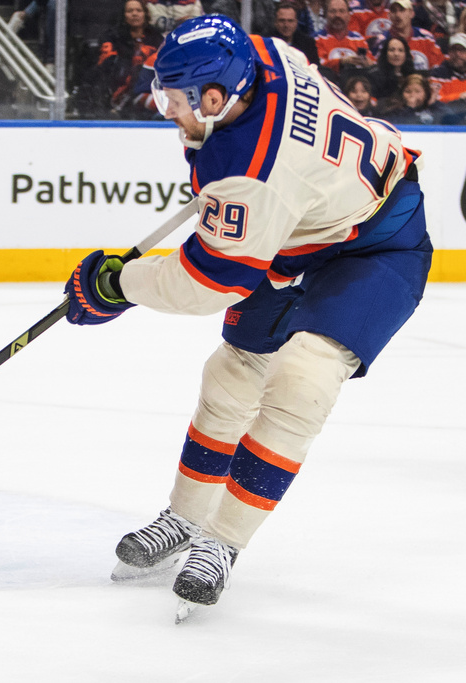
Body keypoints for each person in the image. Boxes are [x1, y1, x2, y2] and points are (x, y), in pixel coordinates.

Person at [64, 14, 430, 619]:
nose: (166, 111)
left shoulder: (252, 170)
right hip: (296, 228)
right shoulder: (259, 53)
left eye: (175, 100)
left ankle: (221, 542)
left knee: (304, 377)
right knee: (234, 371)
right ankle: (185, 516)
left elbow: (210, 282)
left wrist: (118, 285)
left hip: (378, 240)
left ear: (215, 97)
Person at [72, 0, 163, 119]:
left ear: (145, 14)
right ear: (124, 15)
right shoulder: (112, 35)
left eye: (138, 10)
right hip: (118, 85)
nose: (134, 14)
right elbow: (107, 63)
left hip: (148, 86)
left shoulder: (156, 37)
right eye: (130, 11)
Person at [315, 0, 373, 84]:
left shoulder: (359, 39)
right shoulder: (317, 39)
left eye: (341, 11)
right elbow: (318, 65)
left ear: (349, 15)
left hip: (356, 88)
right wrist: (342, 62)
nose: (337, 15)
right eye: (333, 11)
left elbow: (372, 63)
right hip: (328, 86)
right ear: (326, 14)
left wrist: (367, 63)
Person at [377, 0, 445, 70]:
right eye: (394, 11)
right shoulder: (382, 41)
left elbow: (438, 68)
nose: (397, 15)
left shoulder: (427, 38)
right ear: (389, 15)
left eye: (402, 10)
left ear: (411, 13)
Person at [366, 34, 417, 101]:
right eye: (392, 50)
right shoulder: (374, 75)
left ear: (406, 54)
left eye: (400, 50)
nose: (396, 54)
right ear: (385, 53)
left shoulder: (412, 76)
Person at [385, 71, 453, 120]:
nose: (412, 95)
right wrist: (410, 108)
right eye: (408, 91)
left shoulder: (435, 107)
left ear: (426, 93)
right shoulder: (396, 110)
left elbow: (452, 120)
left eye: (417, 91)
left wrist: (433, 103)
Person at [272, 0, 320, 67]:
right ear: (275, 22)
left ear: (296, 23)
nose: (286, 25)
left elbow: (315, 69)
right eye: (282, 20)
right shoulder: (267, 42)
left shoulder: (308, 44)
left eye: (290, 21)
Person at [430, 31, 466, 103]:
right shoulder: (437, 74)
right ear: (448, 52)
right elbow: (434, 100)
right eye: (453, 50)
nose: (457, 54)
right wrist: (459, 97)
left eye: (462, 50)